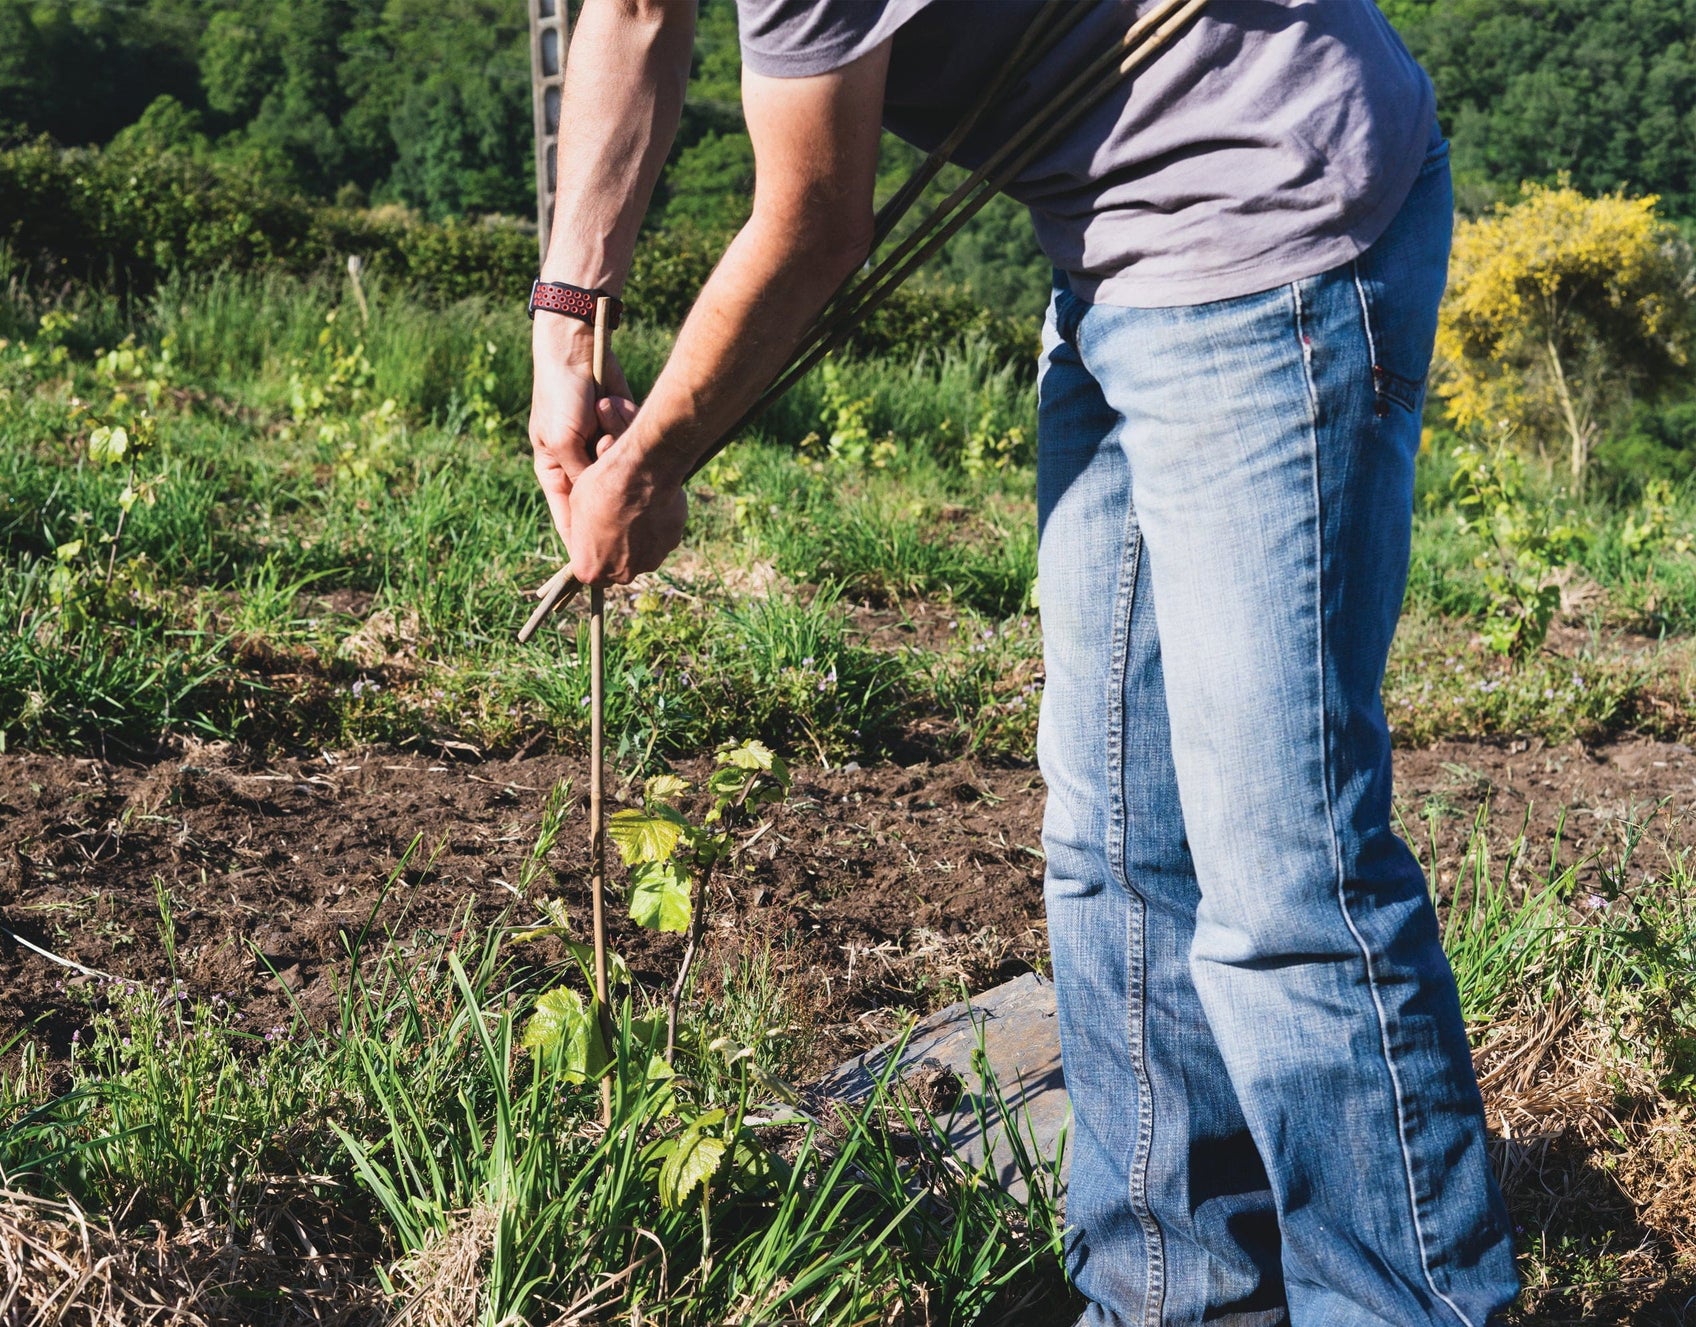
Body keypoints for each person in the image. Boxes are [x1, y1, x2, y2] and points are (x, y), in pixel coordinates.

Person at [526, 2, 1518, 1322]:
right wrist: (565, 319)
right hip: (1109, 255)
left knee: (1282, 869)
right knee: (1113, 844)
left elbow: (815, 222)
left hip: (1267, 220)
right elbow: (633, 10)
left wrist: (651, 463)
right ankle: (1170, 1299)